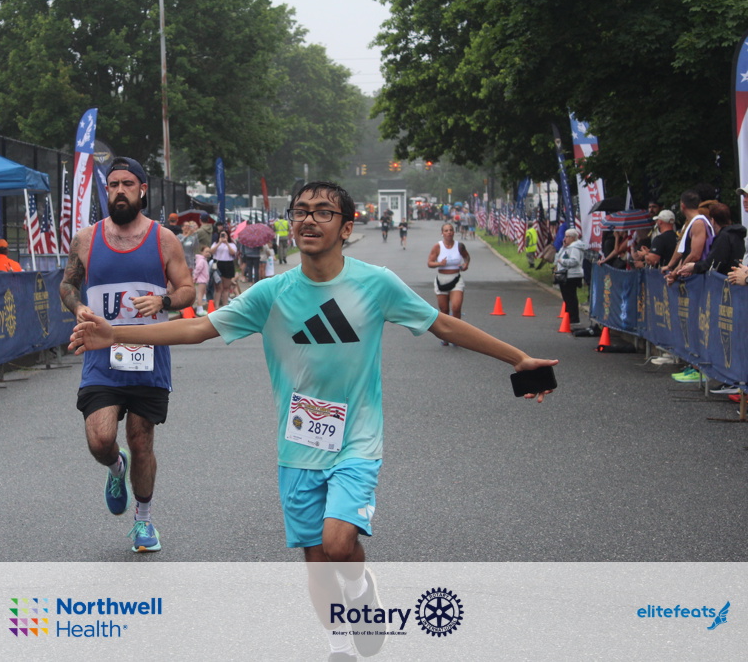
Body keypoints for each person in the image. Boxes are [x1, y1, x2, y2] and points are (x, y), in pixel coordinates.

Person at [69, 180, 557, 662]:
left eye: (324, 211)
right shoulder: (272, 293)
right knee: (317, 558)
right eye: (301, 210)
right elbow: (198, 327)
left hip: (357, 440)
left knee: (338, 543)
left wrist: (517, 358)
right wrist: (115, 333)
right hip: (299, 445)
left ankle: (361, 591)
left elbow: (442, 323)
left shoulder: (376, 284)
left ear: (346, 227)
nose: (308, 219)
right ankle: (340, 645)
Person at [58, 156, 195, 553]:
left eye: (127, 184)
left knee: (141, 441)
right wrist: (78, 308)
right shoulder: (86, 239)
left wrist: (163, 300)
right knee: (101, 440)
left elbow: (188, 290)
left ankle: (144, 520)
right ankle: (115, 467)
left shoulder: (163, 239)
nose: (119, 190)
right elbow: (67, 285)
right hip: (101, 357)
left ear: (142, 190)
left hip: (148, 357)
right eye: (113, 184)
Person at [673, 202, 745, 277]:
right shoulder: (737, 234)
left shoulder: (723, 237)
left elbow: (713, 263)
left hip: (724, 280)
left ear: (713, 220)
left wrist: (694, 266)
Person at [427, 221, 470, 346]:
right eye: (446, 230)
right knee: (444, 309)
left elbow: (467, 257)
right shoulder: (438, 247)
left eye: (451, 230)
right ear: (442, 233)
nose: (449, 232)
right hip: (441, 280)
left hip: (456, 279)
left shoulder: (459, 246)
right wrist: (439, 263)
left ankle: (456, 335)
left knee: (456, 307)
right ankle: (446, 336)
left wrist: (465, 265)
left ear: (454, 232)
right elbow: (429, 263)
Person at [555, 228, 586, 324]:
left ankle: (573, 319)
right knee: (567, 298)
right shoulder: (568, 247)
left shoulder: (575, 248)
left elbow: (574, 261)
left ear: (572, 238)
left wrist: (562, 261)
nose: (564, 239)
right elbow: (558, 256)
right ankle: (568, 316)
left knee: (570, 298)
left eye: (567, 237)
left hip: (571, 275)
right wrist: (563, 247)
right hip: (566, 275)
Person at [210, 229, 238, 306]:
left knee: (226, 287)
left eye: (225, 235)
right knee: (218, 287)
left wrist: (227, 243)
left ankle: (225, 304)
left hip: (228, 264)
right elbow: (211, 251)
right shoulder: (215, 243)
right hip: (218, 264)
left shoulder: (232, 244)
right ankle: (216, 305)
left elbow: (233, 252)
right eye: (222, 235)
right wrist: (219, 243)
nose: (223, 236)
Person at [193, 245, 211, 316]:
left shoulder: (204, 260)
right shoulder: (201, 260)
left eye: (209, 252)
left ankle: (200, 309)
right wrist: (194, 278)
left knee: (202, 294)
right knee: (200, 294)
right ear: (201, 252)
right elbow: (197, 269)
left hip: (204, 280)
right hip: (201, 280)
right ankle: (199, 309)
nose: (208, 253)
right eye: (206, 252)